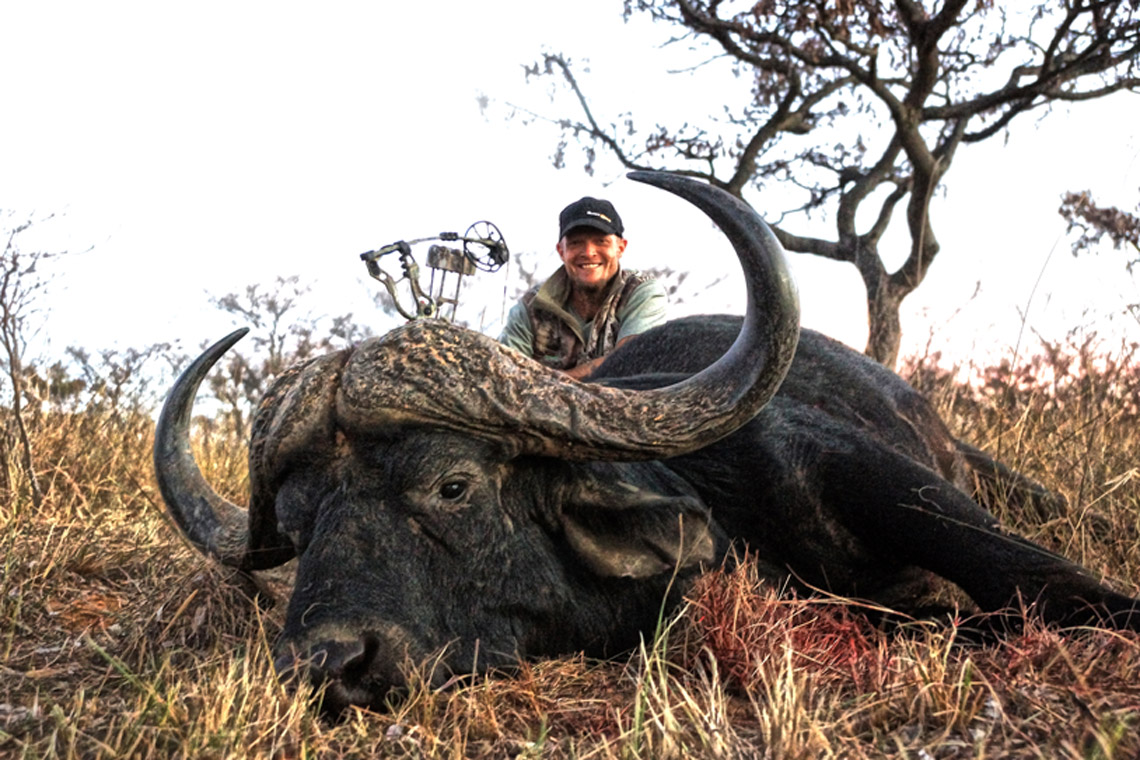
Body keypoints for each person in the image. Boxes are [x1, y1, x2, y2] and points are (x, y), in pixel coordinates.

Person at [499, 195, 668, 379]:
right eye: (576, 243)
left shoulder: (642, 292)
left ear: (621, 247)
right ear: (561, 251)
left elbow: (631, 359)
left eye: (600, 241)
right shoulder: (530, 307)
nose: (588, 252)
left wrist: (549, 385)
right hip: (539, 407)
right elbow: (504, 374)